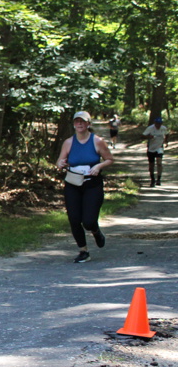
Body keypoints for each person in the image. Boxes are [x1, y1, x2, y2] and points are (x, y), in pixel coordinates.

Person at [56, 111, 113, 263]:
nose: (79, 124)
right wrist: (61, 163)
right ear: (74, 124)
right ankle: (83, 251)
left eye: (82, 121)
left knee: (88, 221)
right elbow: (59, 162)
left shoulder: (97, 141)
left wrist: (98, 166)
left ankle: (95, 230)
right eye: (77, 121)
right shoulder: (69, 142)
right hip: (73, 183)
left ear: (88, 124)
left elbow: (109, 159)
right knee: (74, 219)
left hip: (92, 184)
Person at [142, 116, 169, 186]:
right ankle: (152, 179)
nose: (158, 125)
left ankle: (159, 179)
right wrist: (149, 137)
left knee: (159, 163)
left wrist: (166, 141)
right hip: (151, 148)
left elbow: (167, 134)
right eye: (157, 123)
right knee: (151, 165)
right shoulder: (150, 128)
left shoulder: (163, 128)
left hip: (159, 148)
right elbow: (143, 135)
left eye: (160, 124)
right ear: (155, 123)